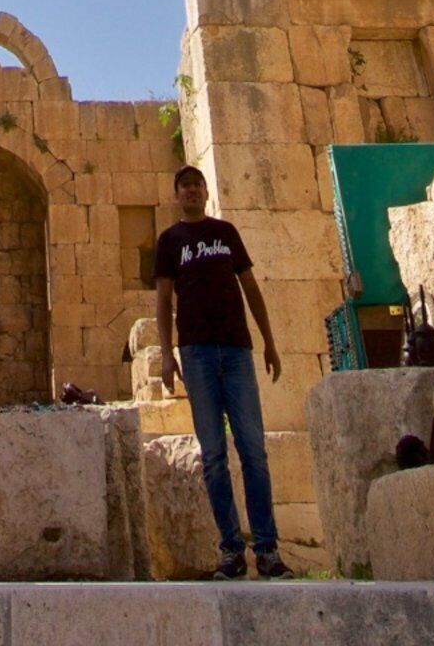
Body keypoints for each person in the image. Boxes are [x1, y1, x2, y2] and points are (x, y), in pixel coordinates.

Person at [153, 163, 289, 578]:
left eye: (197, 185)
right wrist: (165, 353)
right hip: (194, 353)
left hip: (235, 351)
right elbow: (163, 301)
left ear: (206, 193)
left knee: (254, 452)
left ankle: (266, 549)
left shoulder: (226, 233)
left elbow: (250, 289)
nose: (191, 192)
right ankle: (230, 549)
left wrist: (269, 340)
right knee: (212, 455)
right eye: (185, 187)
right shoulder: (169, 241)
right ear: (177, 195)